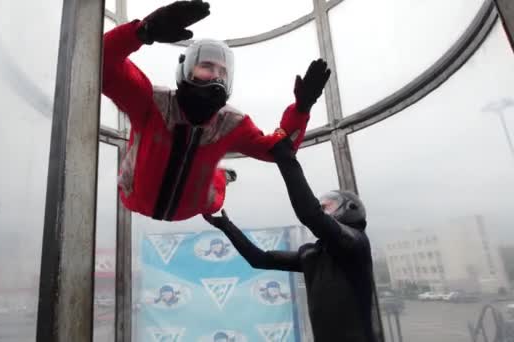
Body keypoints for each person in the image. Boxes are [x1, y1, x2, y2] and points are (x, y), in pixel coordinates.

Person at [102, 0, 331, 221]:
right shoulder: (152, 102)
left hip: (195, 206)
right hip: (134, 197)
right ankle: (219, 176)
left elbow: (278, 149)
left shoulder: (231, 124)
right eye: (207, 66)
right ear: (186, 69)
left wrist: (301, 109)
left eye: (223, 71)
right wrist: (143, 31)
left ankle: (222, 177)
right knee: (211, 189)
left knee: (214, 196)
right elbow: (102, 64)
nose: (216, 76)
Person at [203, 139, 382, 341]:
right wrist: (227, 227)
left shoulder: (355, 243)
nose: (321, 209)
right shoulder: (314, 254)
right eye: (320, 206)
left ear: (350, 209)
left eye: (327, 206)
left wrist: (285, 158)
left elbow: (310, 214)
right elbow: (260, 259)